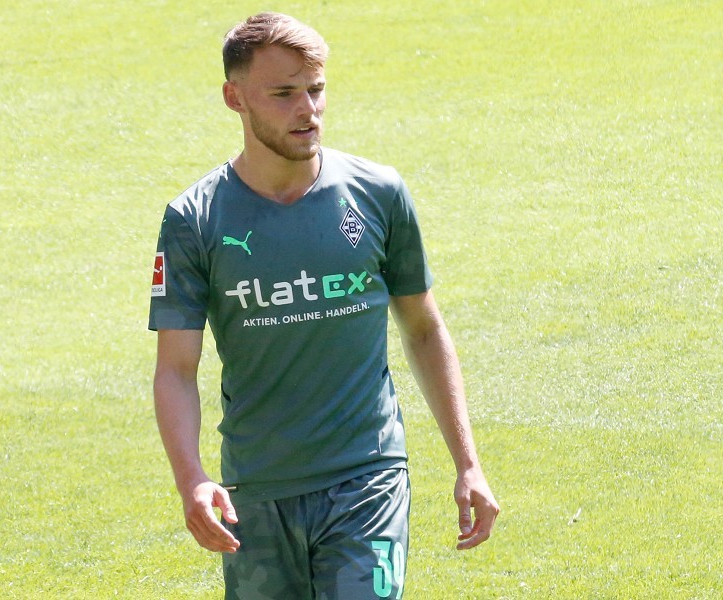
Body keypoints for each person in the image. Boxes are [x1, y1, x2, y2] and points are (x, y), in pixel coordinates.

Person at [149, 12, 498, 599]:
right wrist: (193, 480)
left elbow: (423, 328)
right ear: (235, 98)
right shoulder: (194, 220)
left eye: (315, 89)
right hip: (255, 492)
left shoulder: (378, 194)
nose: (307, 110)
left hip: (368, 479)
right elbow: (176, 368)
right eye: (283, 94)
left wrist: (467, 462)